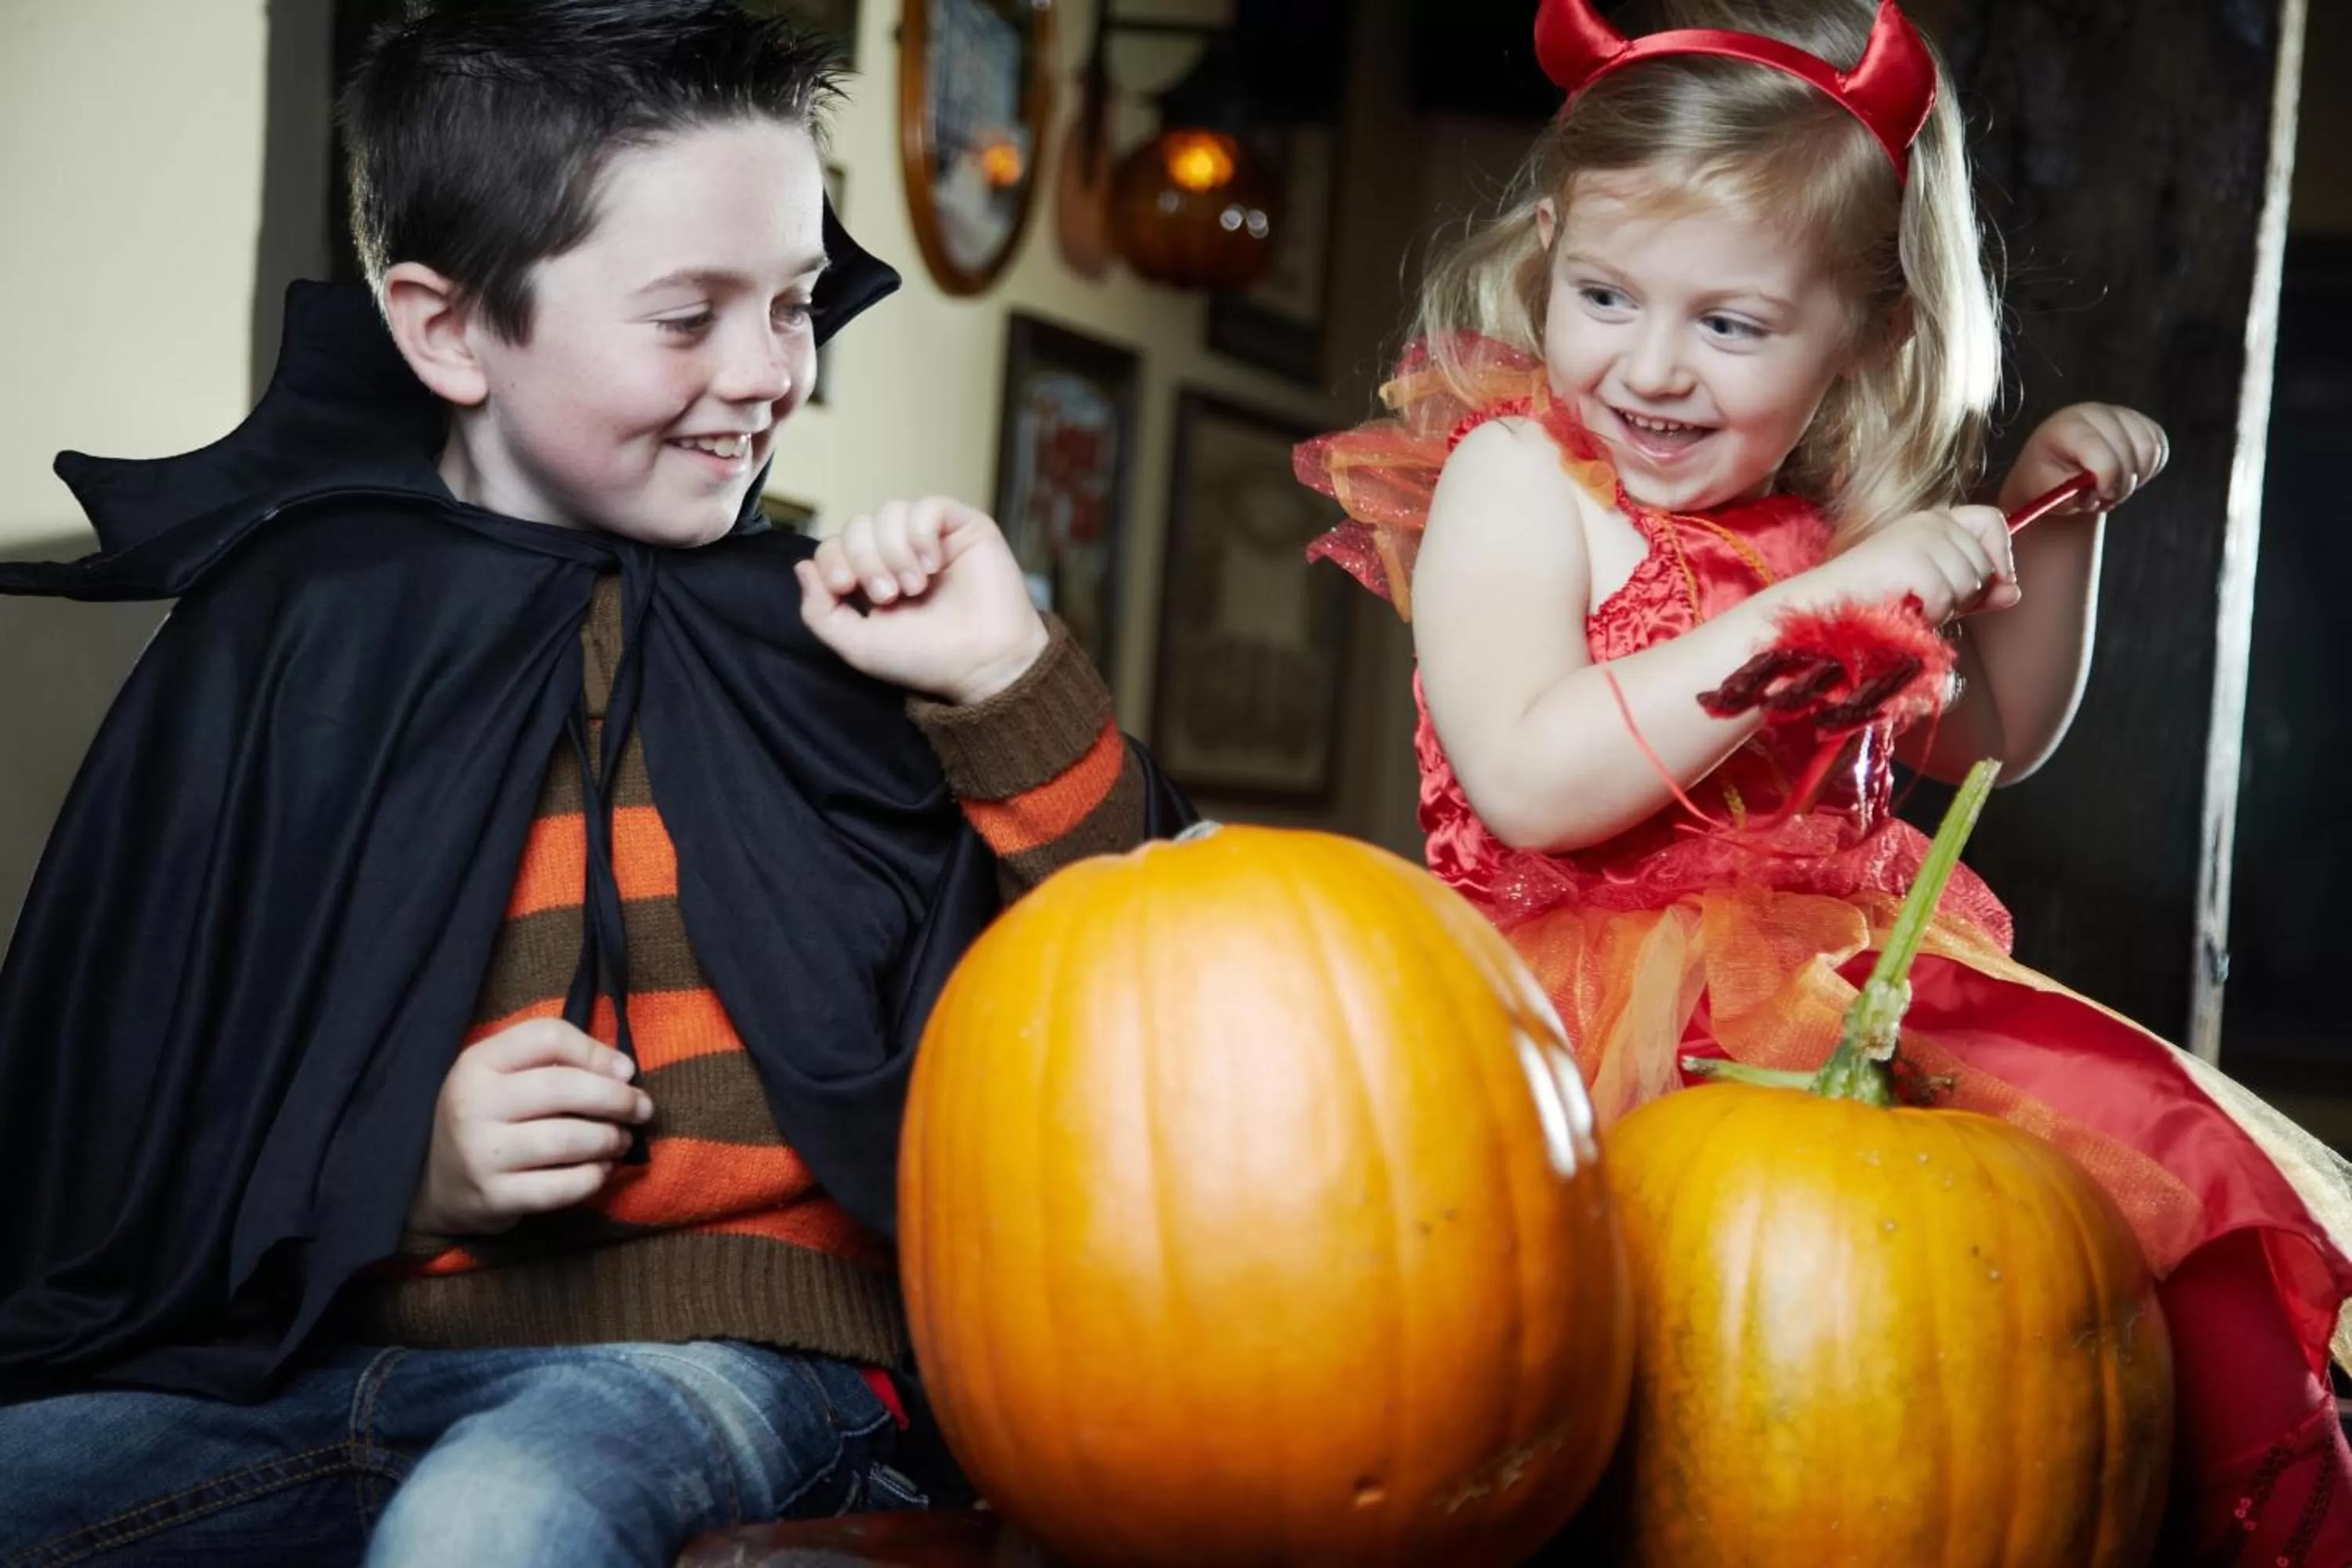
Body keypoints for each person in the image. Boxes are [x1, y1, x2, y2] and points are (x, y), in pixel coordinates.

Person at [0, 2, 1187, 1562]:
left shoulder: (837, 629)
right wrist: (399, 1171)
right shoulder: (293, 638)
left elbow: (1156, 991)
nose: (769, 372)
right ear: (448, 329)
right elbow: (126, 1115)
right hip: (301, 1366)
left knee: (492, 1526)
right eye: (689, 317)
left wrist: (1004, 681)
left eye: (796, 303)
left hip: (735, 1361)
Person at [1296, 1, 2352, 1559]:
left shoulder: (1815, 524)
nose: (1652, 366)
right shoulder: (1516, 482)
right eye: (1606, 295)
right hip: (1580, 1035)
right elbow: (1527, 775)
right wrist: (1812, 610)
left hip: (1845, 1006)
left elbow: (1987, 736)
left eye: (1732, 325)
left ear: (1865, 332)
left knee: (2138, 1219)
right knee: (1613, 1420)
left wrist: (2052, 520)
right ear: (1549, 255)